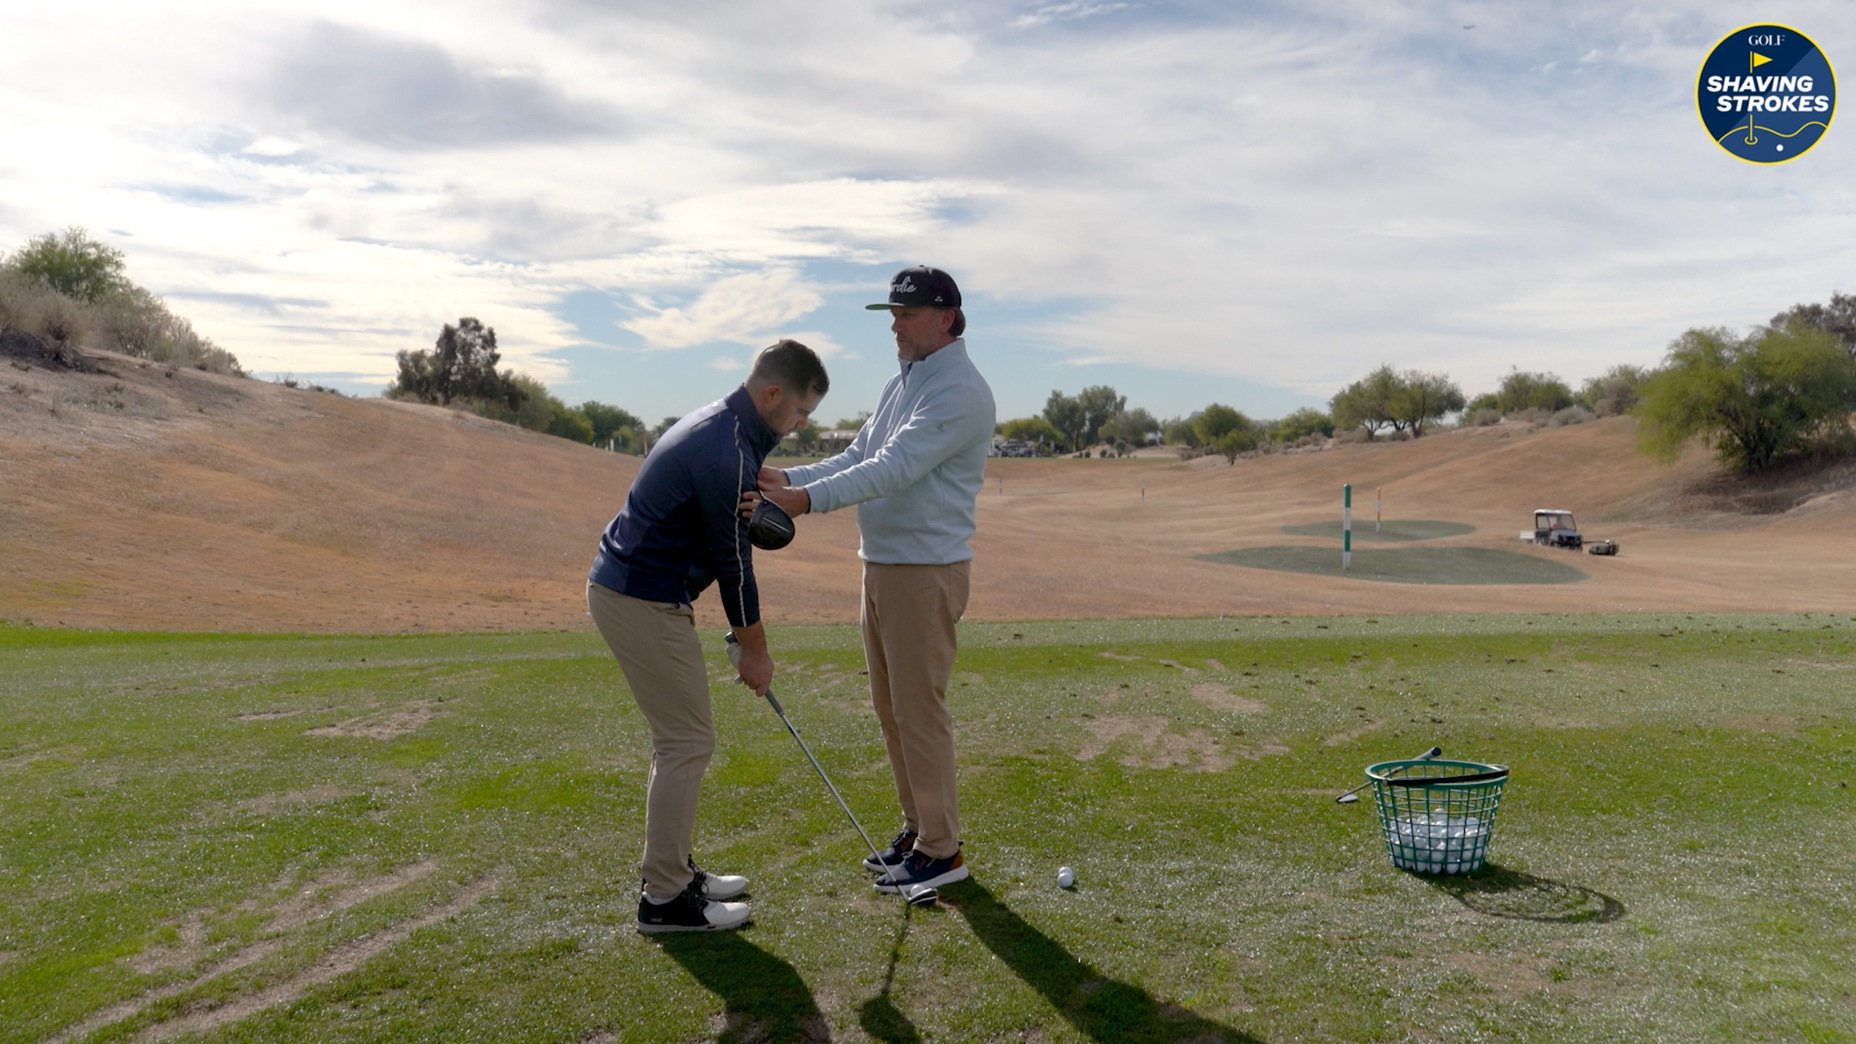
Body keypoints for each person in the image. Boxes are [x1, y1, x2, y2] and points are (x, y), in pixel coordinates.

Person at [754, 266, 995, 895]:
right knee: (891, 709)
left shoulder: (960, 390)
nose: (895, 325)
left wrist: (803, 503)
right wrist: (791, 478)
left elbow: (894, 469)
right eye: (892, 313)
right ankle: (918, 832)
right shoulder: (904, 383)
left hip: (925, 570)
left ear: (944, 318)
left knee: (919, 711)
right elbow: (860, 455)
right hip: (884, 563)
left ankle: (942, 851)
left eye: (907, 314)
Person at [587, 339, 828, 933]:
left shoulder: (731, 434)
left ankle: (672, 872)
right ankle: (664, 900)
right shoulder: (726, 451)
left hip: (641, 592)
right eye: (800, 413)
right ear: (772, 394)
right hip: (639, 597)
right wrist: (756, 651)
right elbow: (734, 565)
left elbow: (725, 540)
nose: (799, 426)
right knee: (687, 741)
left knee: (681, 739)